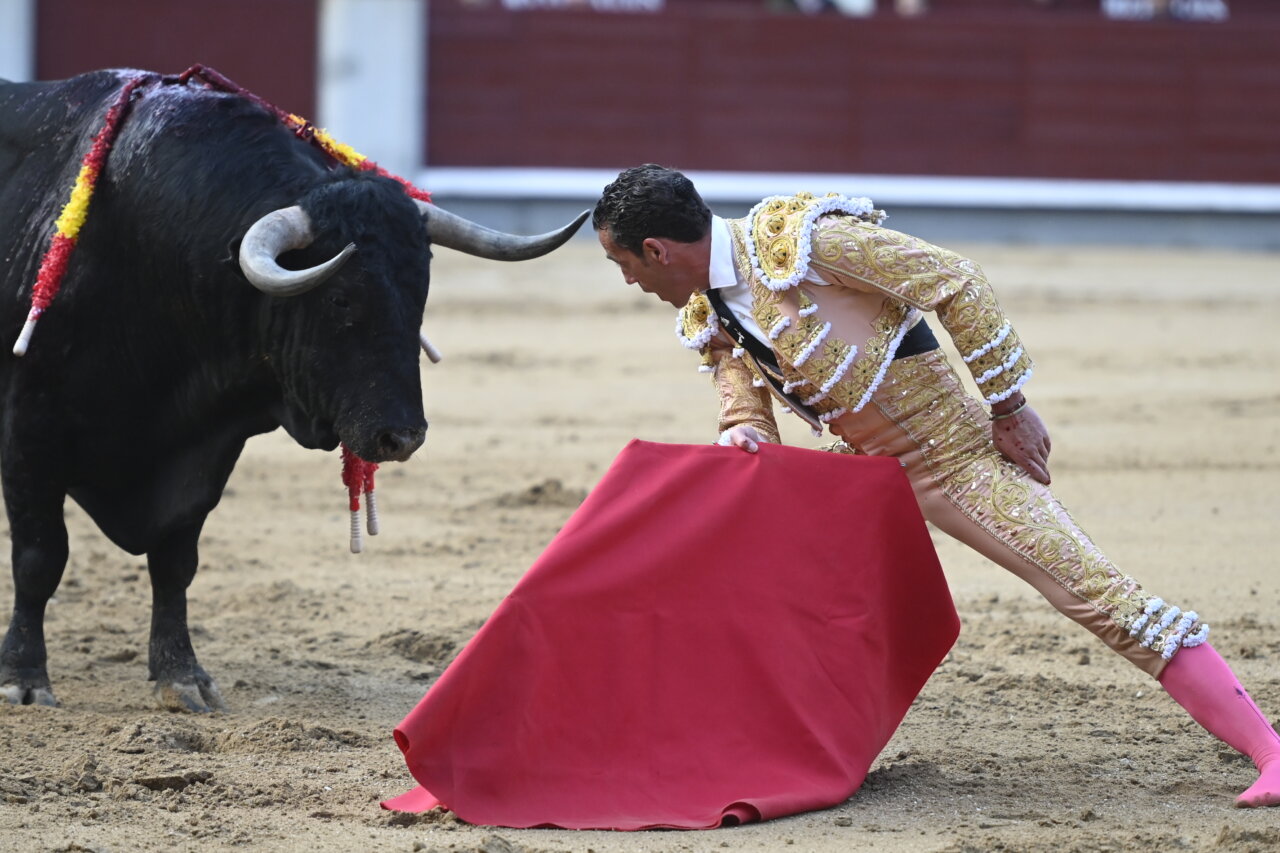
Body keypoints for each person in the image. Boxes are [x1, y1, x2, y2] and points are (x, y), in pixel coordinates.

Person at [591, 163, 1280, 809]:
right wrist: (744, 428)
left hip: (955, 460)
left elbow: (955, 279)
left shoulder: (804, 244)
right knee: (771, 597)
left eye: (623, 263)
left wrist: (1008, 405)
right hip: (863, 476)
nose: (628, 281)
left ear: (656, 250)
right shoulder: (708, 309)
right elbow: (740, 384)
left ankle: (1271, 751)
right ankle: (779, 752)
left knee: (1093, 593)